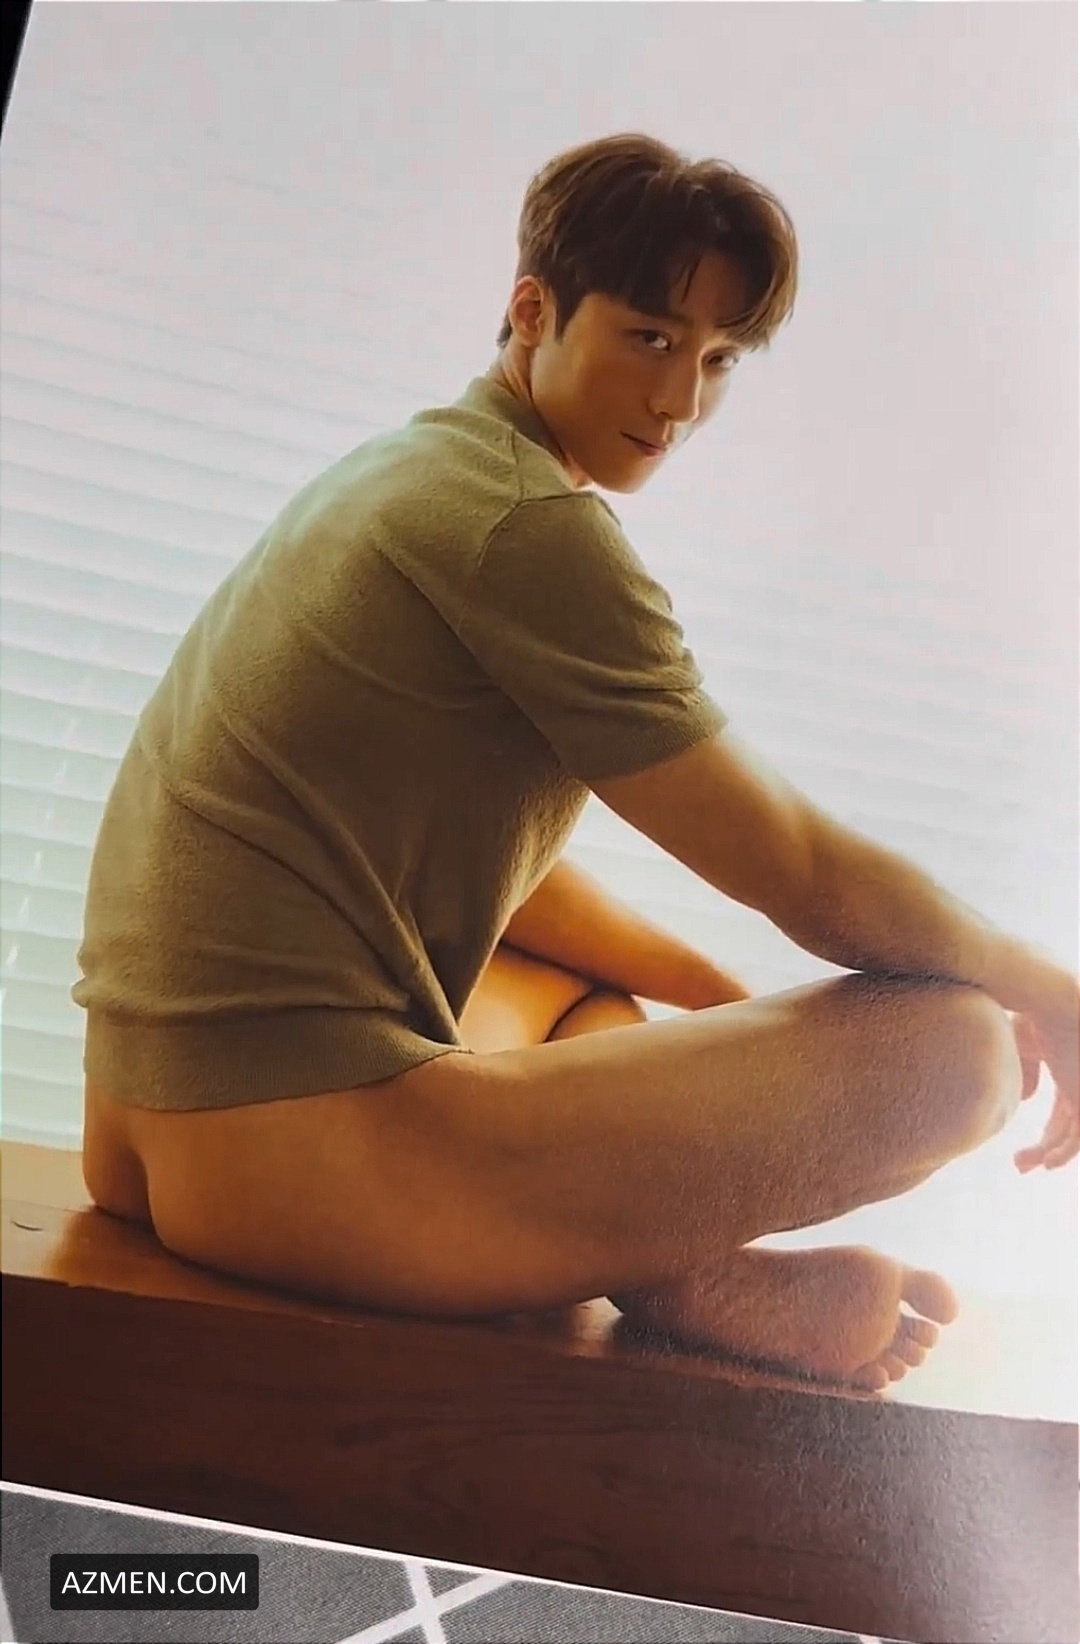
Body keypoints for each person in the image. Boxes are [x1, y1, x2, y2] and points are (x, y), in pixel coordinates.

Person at [76, 133, 1077, 1394]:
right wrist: (1048, 990)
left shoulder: (412, 470)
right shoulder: (526, 526)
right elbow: (800, 866)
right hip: (297, 1153)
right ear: (532, 309)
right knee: (962, 1048)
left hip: (147, 1125)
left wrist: (715, 1007)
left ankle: (677, 1266)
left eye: (718, 359)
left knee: (574, 999)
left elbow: (458, 872)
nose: (680, 401)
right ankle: (682, 1266)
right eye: (650, 338)